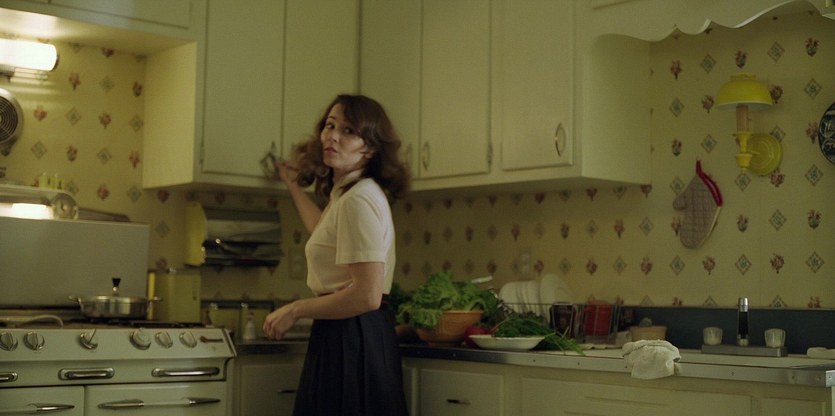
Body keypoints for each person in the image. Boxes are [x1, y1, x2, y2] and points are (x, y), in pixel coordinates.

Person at [263, 94, 411, 416]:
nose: (332, 136)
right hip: (350, 332)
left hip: (353, 334)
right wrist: (293, 186)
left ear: (370, 148)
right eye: (330, 126)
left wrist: (296, 310)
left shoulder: (357, 200)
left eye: (348, 131)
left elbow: (367, 295)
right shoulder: (347, 196)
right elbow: (322, 231)